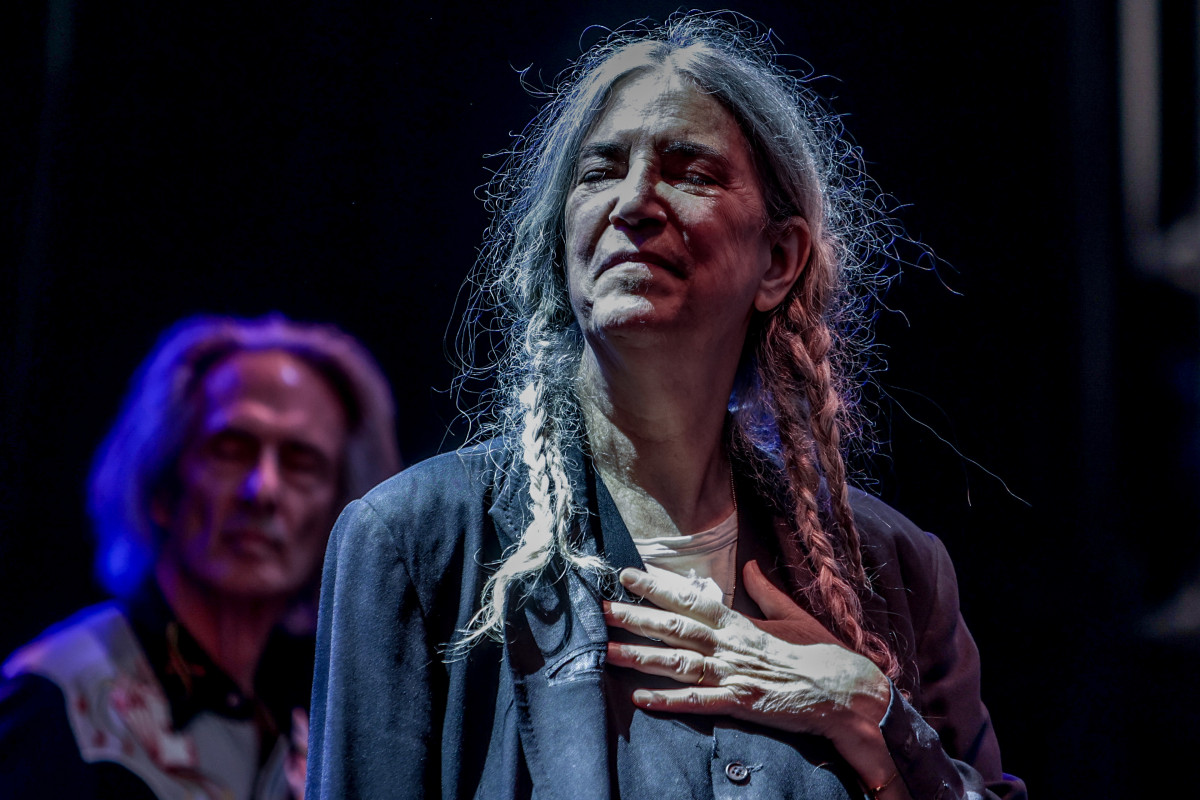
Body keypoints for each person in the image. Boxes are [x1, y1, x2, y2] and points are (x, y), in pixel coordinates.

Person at [308, 14, 1025, 800]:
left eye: (691, 171)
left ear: (779, 260)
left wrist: (871, 710)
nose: (635, 201)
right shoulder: (420, 543)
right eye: (600, 171)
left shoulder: (896, 571)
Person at [0, 313, 401, 800]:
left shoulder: (306, 726)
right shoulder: (57, 694)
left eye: (301, 463)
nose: (263, 490)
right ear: (162, 483)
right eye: (231, 449)